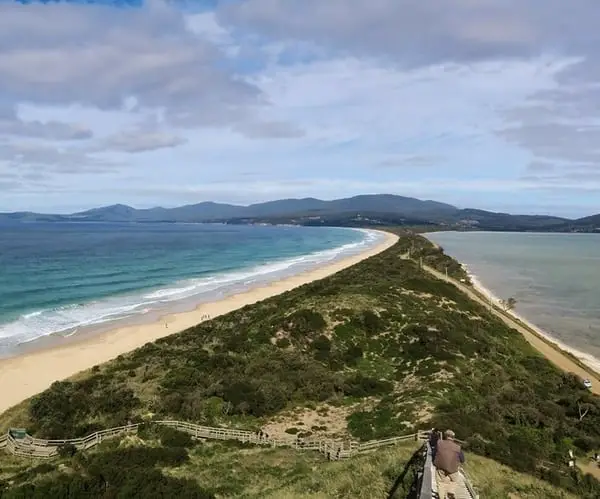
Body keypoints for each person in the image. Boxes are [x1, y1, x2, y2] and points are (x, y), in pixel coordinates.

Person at [433, 429, 465, 499]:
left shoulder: (439, 443)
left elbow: (434, 453)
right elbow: (462, 460)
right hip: (453, 469)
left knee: (441, 483)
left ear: (445, 436)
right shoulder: (458, 447)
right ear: (453, 438)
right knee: (454, 480)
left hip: (440, 467)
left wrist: (434, 462)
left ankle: (441, 497)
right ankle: (450, 491)